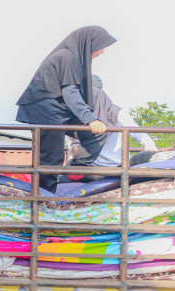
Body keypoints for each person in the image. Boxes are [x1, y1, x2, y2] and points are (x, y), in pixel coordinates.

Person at [15, 26, 117, 193]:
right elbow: (70, 92)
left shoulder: (73, 57)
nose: (102, 51)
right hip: (45, 110)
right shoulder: (67, 56)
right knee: (51, 158)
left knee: (96, 135)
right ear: (90, 43)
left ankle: (73, 172)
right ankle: (43, 198)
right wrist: (90, 119)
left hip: (60, 110)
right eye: (101, 46)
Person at [68, 75, 158, 169]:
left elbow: (140, 134)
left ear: (100, 93)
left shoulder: (116, 113)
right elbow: (74, 146)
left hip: (116, 166)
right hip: (89, 167)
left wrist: (151, 152)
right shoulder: (77, 115)